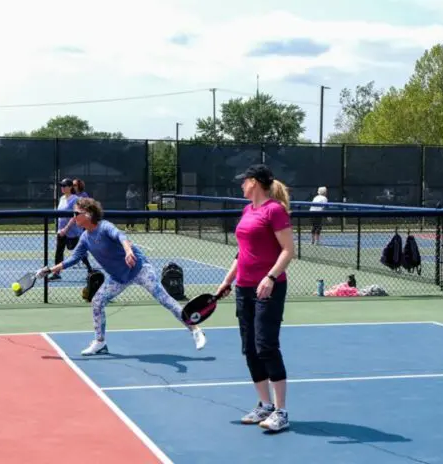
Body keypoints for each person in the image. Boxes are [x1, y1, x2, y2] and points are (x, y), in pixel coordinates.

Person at [37, 197, 206, 356]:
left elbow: (121, 236)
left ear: (88, 214)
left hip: (139, 270)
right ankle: (100, 342)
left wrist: (128, 251)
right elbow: (74, 258)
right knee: (97, 302)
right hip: (118, 277)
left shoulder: (104, 227)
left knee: (165, 300)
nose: (73, 217)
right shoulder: (85, 238)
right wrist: (51, 269)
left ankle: (195, 330)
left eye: (76, 214)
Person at [215, 164, 295, 432]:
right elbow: (242, 252)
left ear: (255, 182)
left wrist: (270, 277)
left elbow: (288, 250)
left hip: (268, 288)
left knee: (266, 346)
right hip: (244, 288)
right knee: (249, 348)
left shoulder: (275, 210)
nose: (241, 185)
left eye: (244, 181)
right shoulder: (247, 210)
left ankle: (281, 411)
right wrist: (227, 281)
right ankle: (264, 405)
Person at [53, 178, 93, 279]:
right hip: (61, 231)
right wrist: (59, 230)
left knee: (78, 251)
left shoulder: (75, 199)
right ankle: (56, 273)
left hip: (72, 231)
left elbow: (75, 216)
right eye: (61, 185)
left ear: (70, 187)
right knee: (59, 251)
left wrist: (66, 229)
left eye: (64, 186)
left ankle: (90, 271)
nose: (62, 187)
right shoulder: (62, 198)